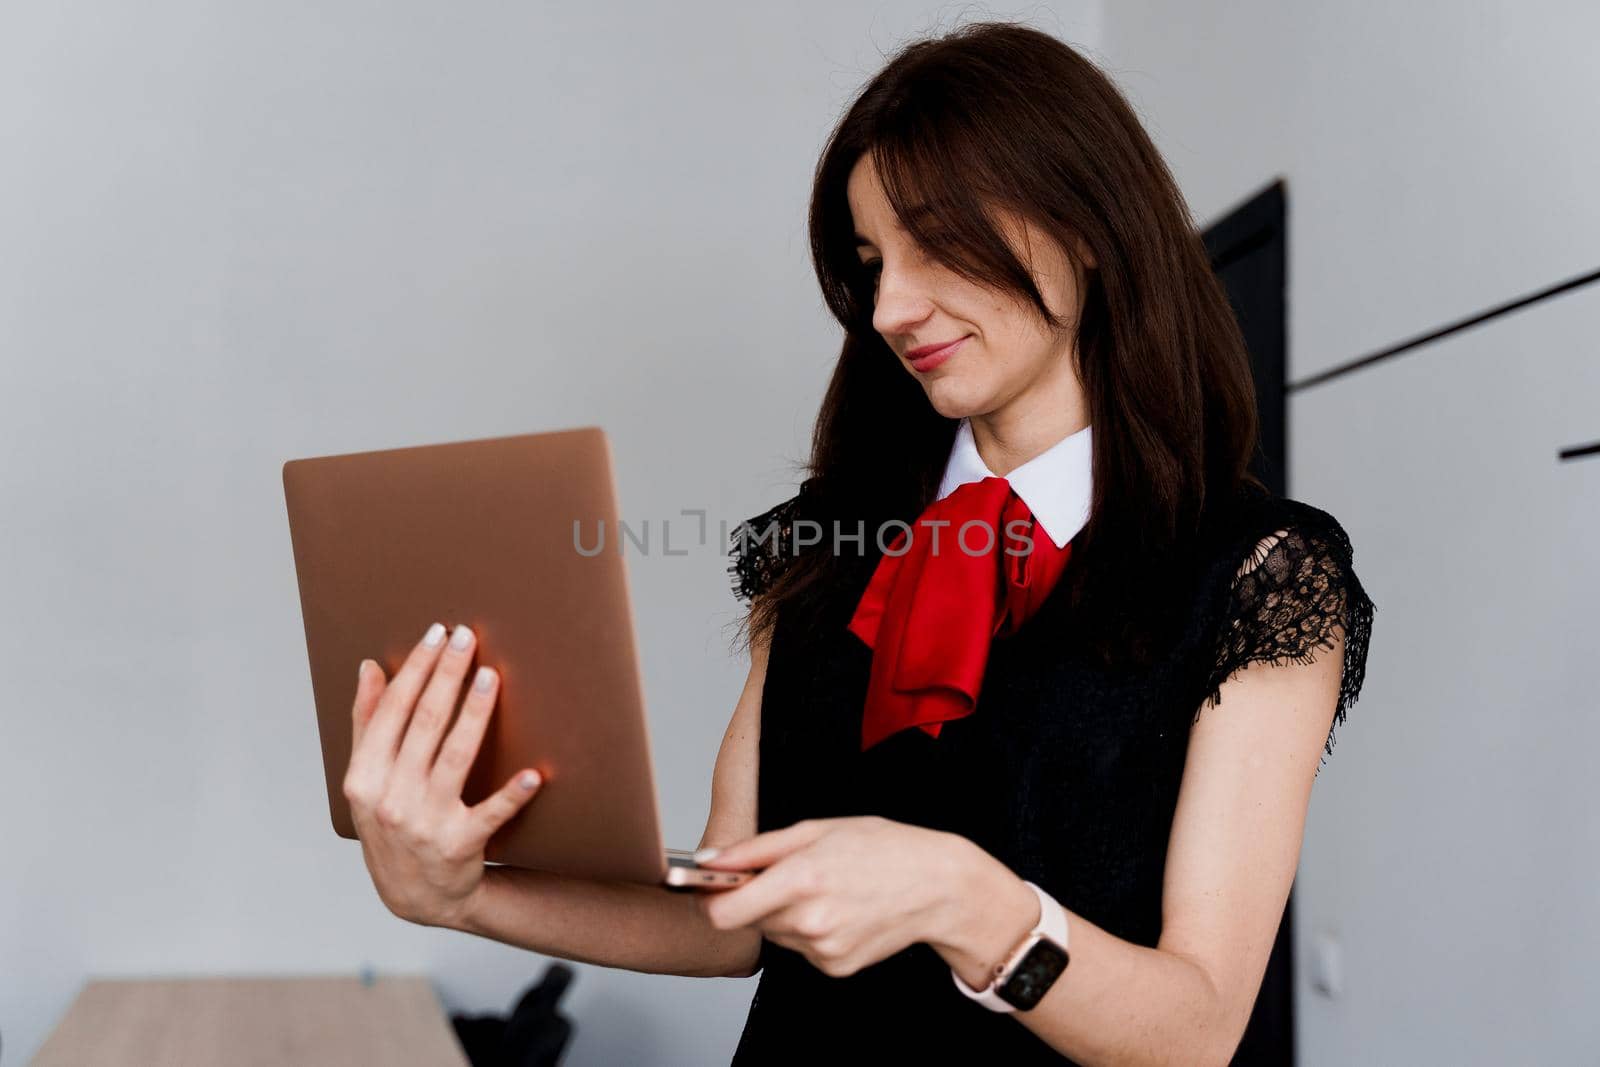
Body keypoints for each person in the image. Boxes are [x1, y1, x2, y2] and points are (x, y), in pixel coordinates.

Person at [338, 20, 1377, 1066]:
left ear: (1089, 227)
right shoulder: (822, 549)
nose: (887, 307)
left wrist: (974, 904)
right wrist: (463, 892)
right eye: (872, 260)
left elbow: (1195, 1028)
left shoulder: (1261, 575)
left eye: (935, 244)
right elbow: (731, 912)